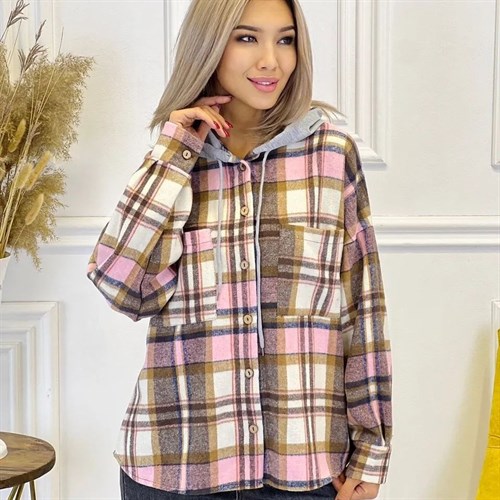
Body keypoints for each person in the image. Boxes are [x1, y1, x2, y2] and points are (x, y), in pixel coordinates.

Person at [87, 0, 393, 499]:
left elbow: (362, 308)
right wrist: (174, 154)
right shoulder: (175, 160)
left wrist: (372, 448)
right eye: (247, 38)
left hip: (302, 469)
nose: (271, 60)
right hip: (179, 468)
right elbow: (123, 290)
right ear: (209, 44)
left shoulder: (331, 153)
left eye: (285, 39)